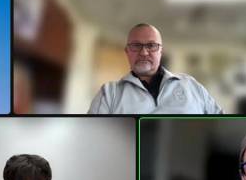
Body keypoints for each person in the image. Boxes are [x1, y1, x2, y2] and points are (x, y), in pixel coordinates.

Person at [88, 23, 222, 114]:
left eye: (151, 45)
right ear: (127, 52)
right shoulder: (109, 94)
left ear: (160, 52)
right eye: (136, 46)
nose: (143, 52)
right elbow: (93, 136)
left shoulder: (191, 85)